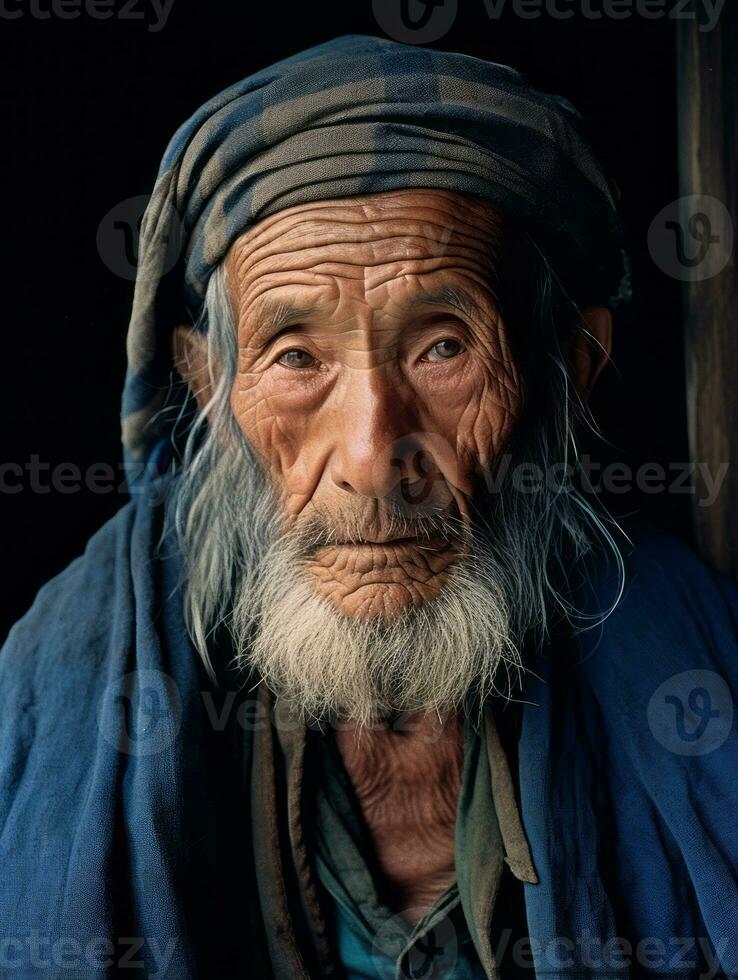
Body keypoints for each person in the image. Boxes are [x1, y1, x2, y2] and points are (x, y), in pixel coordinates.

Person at [2, 35, 736, 980]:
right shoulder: (75, 666)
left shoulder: (697, 656)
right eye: (296, 357)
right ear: (212, 389)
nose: (370, 458)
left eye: (442, 347)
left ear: (572, 371)